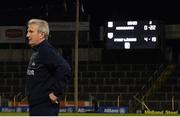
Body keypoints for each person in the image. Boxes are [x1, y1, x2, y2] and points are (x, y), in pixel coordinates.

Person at [25, 18, 71, 116]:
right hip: (37, 105)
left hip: (45, 107)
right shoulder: (38, 50)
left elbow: (65, 69)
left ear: (41, 34)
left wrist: (56, 93)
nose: (27, 35)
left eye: (31, 31)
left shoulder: (45, 50)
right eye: (28, 31)